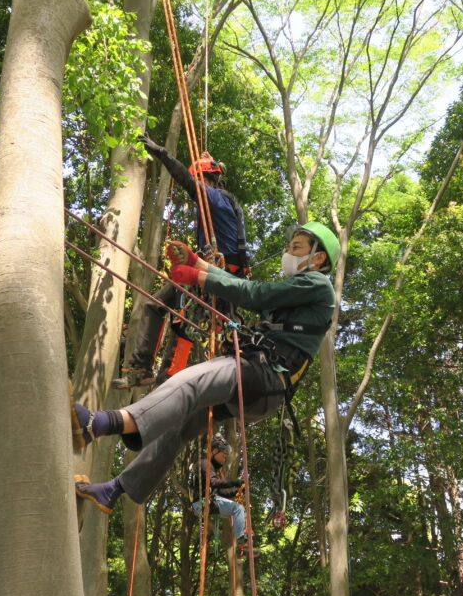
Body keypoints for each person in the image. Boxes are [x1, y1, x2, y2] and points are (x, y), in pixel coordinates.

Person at [74, 221, 340, 518]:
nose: (288, 253)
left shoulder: (317, 284)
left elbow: (255, 293)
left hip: (263, 374)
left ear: (317, 258)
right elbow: (249, 291)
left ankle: (100, 424)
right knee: (178, 426)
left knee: (190, 382)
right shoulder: (301, 292)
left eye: (296, 248)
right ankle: (114, 491)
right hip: (263, 387)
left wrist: (198, 276)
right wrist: (198, 263)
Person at [111, 133, 249, 390]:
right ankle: (141, 369)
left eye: (200, 179)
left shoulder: (217, 199)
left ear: (210, 181)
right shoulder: (209, 209)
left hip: (220, 273)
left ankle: (168, 381)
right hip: (204, 268)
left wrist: (162, 153)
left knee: (182, 320)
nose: (196, 184)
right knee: (155, 306)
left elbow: (186, 182)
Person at [188, 435, 256, 558]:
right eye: (223, 456)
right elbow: (213, 483)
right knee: (238, 509)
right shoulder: (204, 463)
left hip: (205, 502)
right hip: (203, 503)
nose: (224, 459)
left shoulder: (209, 466)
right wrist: (236, 482)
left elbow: (219, 492)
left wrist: (237, 491)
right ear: (214, 451)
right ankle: (240, 538)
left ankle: (240, 547)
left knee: (238, 510)